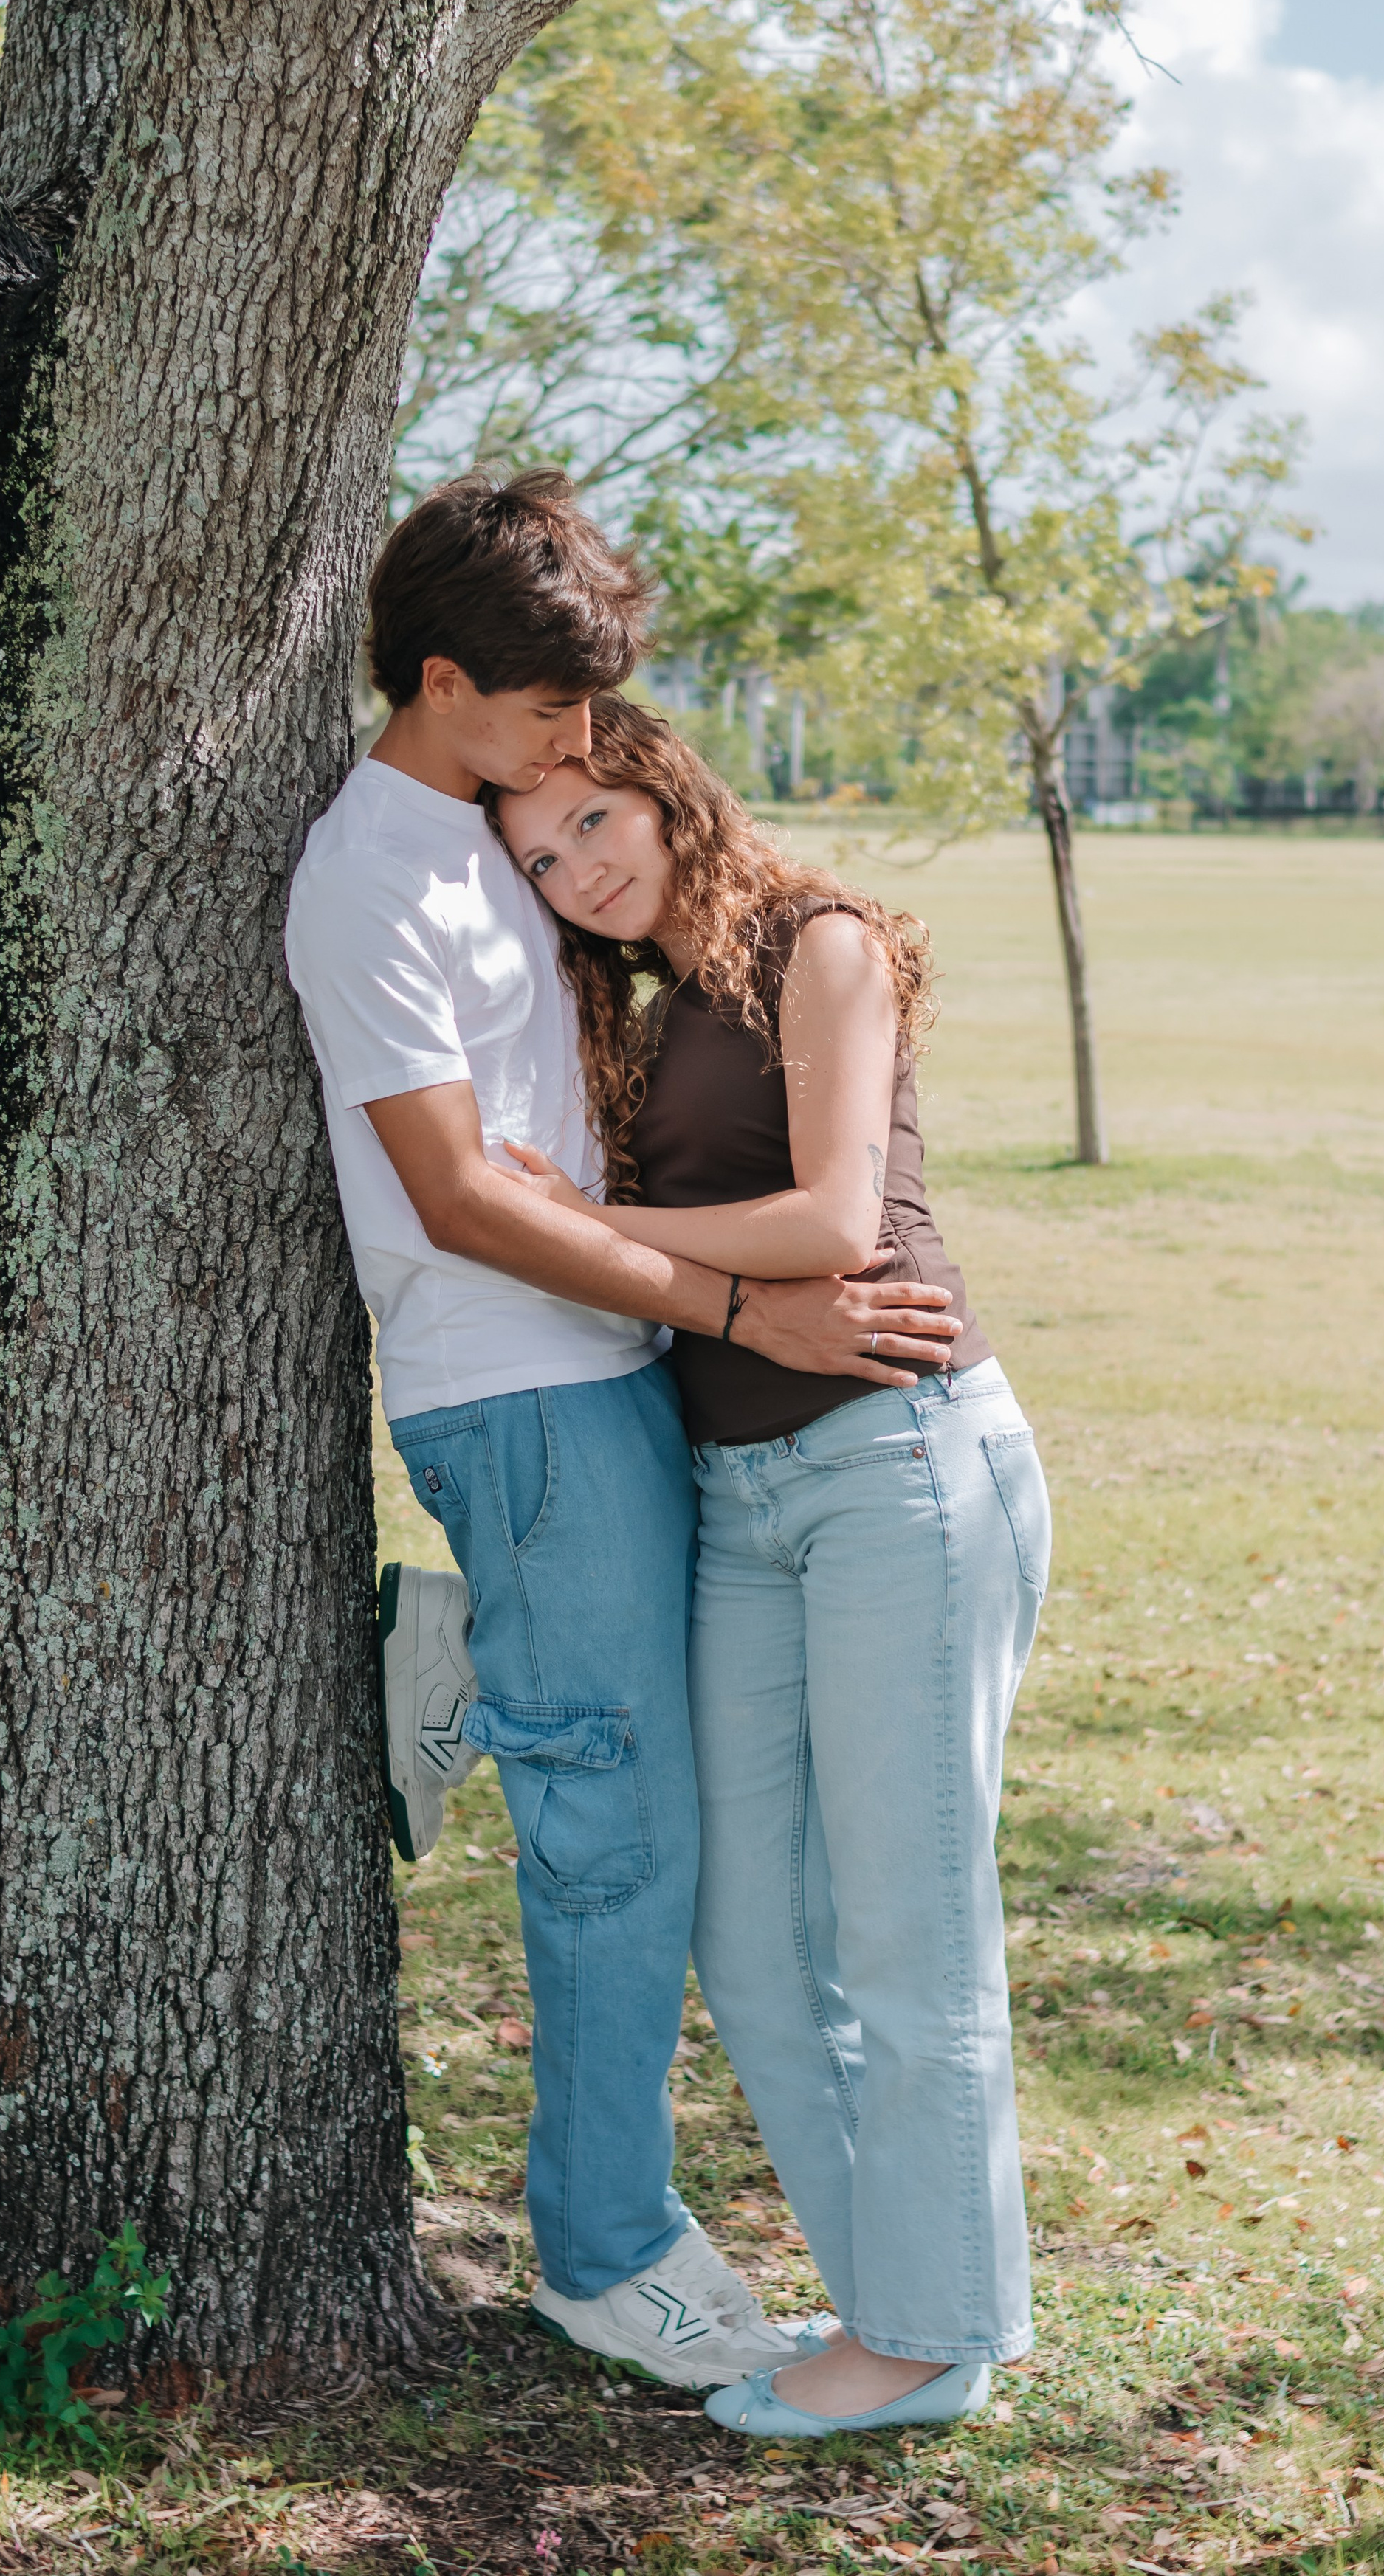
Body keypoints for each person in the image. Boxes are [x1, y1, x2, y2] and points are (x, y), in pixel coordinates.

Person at [284, 472, 965, 2389]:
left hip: (611, 1377)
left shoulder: (487, 837)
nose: (579, 754)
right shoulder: (368, 877)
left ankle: (460, 1664)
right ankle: (599, 2247)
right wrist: (757, 1306)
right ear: (444, 683)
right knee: (620, 1843)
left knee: (654, 1804)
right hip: (518, 1385)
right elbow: (457, 1197)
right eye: (553, 717)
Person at [492, 694, 1052, 2440]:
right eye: (537, 857)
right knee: (746, 1937)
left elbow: (829, 1225)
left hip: (897, 1464)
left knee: (906, 1928)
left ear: (659, 785)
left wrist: (581, 1227)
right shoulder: (642, 1023)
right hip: (741, 1500)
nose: (574, 870)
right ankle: (891, 2295)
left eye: (589, 822)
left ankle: (929, 2335)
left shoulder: (820, 946)